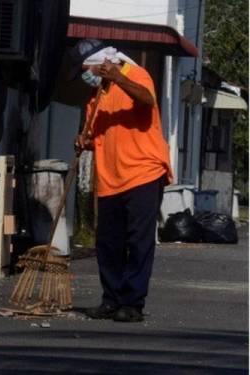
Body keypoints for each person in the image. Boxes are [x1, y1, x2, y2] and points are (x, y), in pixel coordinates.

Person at [68, 39, 172, 322]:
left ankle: (133, 303)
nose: (85, 76)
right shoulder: (97, 98)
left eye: (86, 69)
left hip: (143, 172)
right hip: (110, 177)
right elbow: (100, 135)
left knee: (138, 240)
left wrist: (118, 77)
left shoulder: (135, 74)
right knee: (108, 242)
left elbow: (147, 99)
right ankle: (111, 299)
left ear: (103, 64)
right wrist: (85, 141)